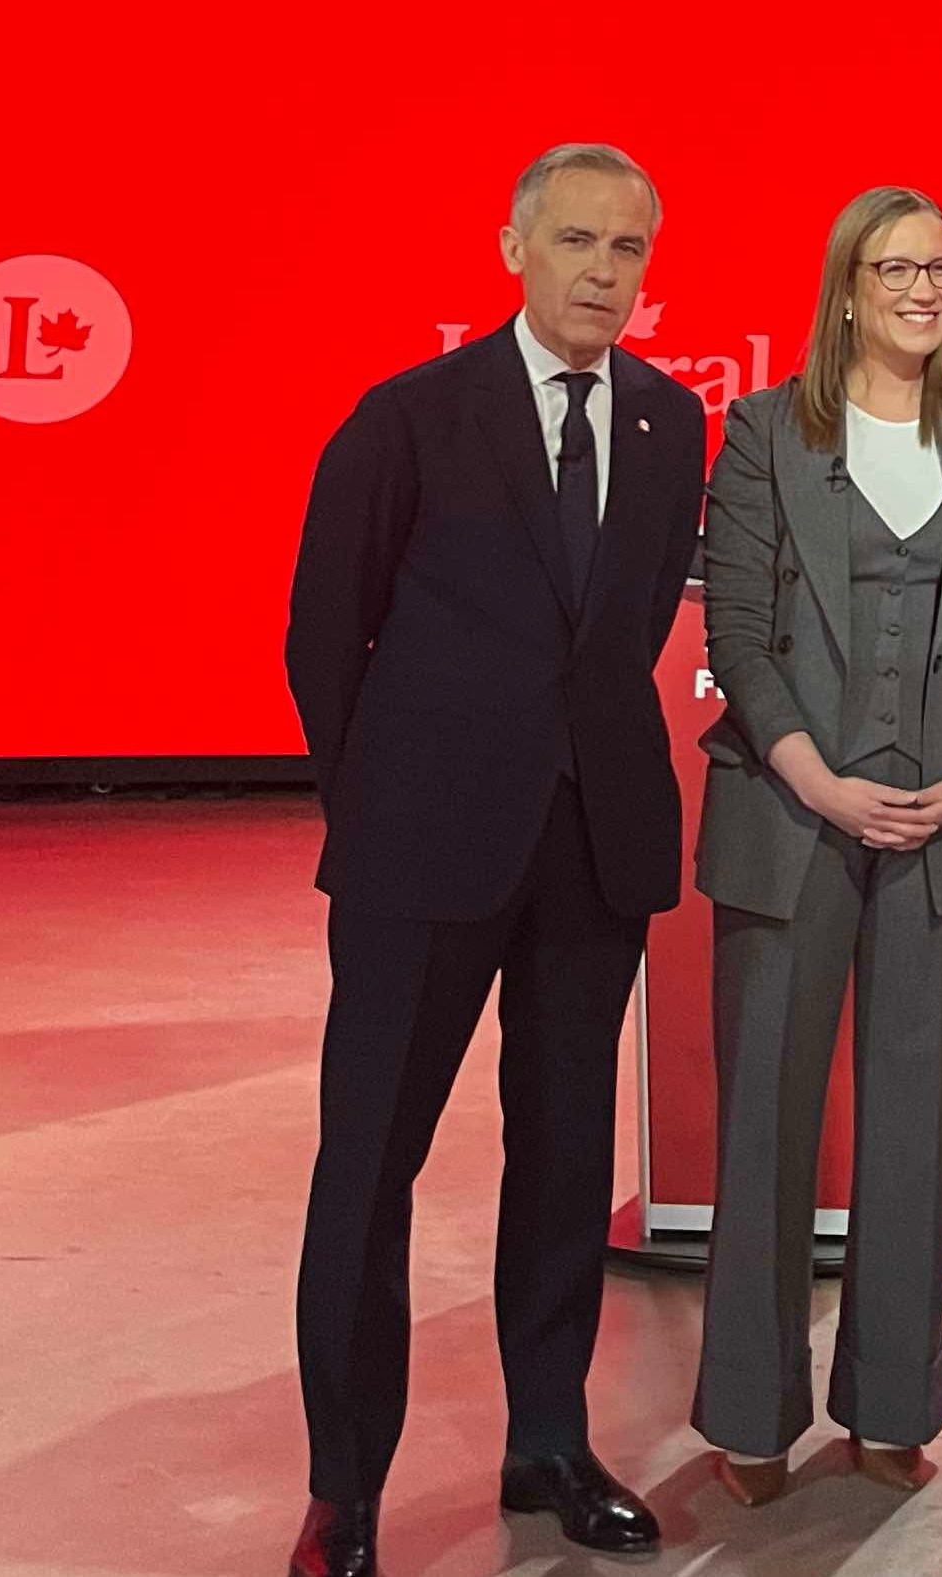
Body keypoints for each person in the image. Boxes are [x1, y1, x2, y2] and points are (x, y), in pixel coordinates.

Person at [282, 143, 708, 1574]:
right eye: (577, 239)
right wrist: (385, 802)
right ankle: (347, 1486)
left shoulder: (666, 422)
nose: (604, 270)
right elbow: (320, 636)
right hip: (420, 853)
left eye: (629, 248)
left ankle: (548, 1441)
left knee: (563, 1157)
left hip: (591, 850)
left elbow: (633, 624)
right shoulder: (410, 416)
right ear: (515, 244)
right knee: (370, 1164)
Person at [689, 187, 942, 1502]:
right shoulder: (764, 432)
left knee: (912, 1126)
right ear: (844, 288)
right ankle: (748, 1413)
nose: (922, 286)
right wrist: (819, 781)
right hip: (789, 822)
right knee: (766, 1127)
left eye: (940, 264)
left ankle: (891, 1396)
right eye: (895, 266)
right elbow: (740, 635)